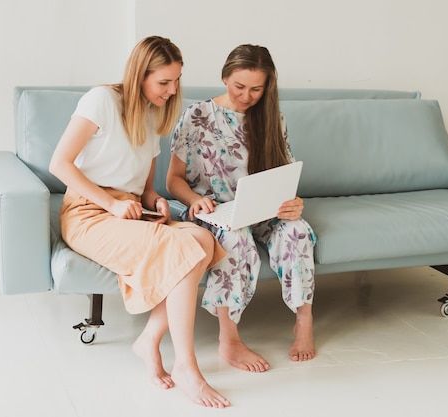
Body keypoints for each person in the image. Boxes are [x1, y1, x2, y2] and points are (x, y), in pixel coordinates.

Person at [49, 36, 230, 408]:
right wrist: (110, 205)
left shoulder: (152, 116)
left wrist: (156, 202)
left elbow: (145, 189)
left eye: (176, 81)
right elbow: (60, 164)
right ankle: (186, 365)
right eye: (164, 82)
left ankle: (148, 340)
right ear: (139, 76)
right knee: (183, 246)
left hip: (130, 209)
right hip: (87, 212)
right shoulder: (101, 100)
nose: (172, 90)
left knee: (203, 241)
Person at [166, 44, 317, 372]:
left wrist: (292, 203)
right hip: (213, 214)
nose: (247, 96)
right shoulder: (198, 116)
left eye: (256, 89)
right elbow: (174, 180)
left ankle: (303, 320)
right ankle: (229, 339)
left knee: (298, 230)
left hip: (262, 210)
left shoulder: (273, 118)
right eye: (239, 86)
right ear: (224, 77)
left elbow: (282, 175)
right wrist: (195, 200)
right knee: (235, 239)